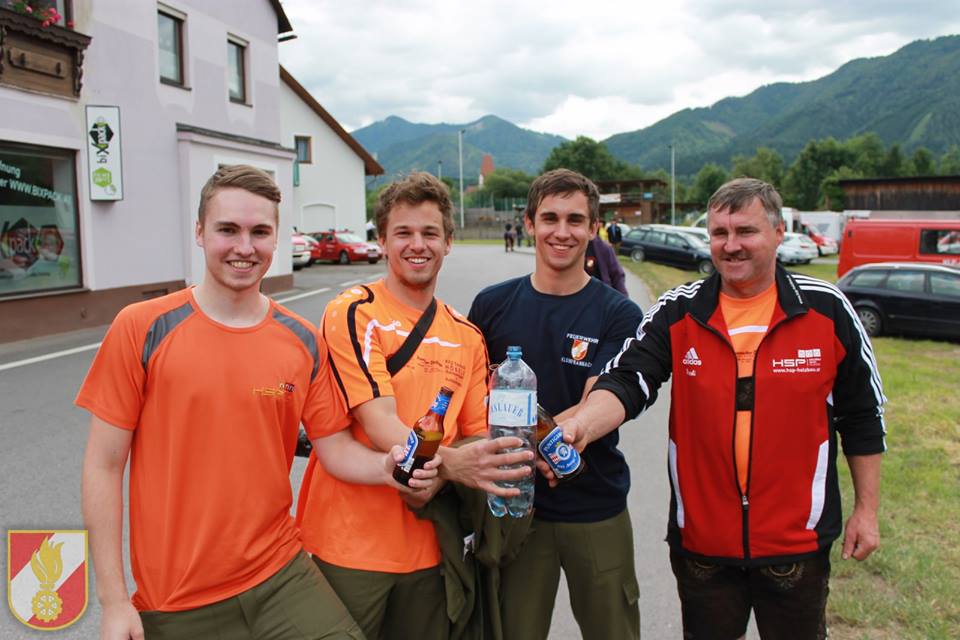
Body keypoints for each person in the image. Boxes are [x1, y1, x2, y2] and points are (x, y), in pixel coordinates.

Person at [77, 165, 426, 640]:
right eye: (228, 229)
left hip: (280, 574)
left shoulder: (303, 341)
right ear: (199, 233)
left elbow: (335, 448)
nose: (244, 247)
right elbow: (103, 465)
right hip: (177, 598)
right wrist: (114, 600)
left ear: (276, 238)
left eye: (259, 232)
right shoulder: (142, 327)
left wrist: (385, 467)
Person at [564, 178, 886, 639]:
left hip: (796, 547)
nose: (731, 245)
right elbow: (626, 381)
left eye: (745, 231)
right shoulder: (680, 311)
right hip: (703, 549)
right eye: (719, 233)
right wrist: (580, 426)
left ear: (779, 232)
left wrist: (866, 511)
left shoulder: (826, 310)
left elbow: (862, 416)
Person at [296, 171, 531, 640]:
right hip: (349, 547)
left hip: (430, 550)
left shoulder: (468, 335)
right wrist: (453, 465)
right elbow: (379, 421)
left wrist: (447, 472)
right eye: (403, 232)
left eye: (430, 233)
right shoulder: (355, 311)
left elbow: (477, 434)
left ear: (448, 242)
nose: (417, 245)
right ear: (382, 241)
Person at [468, 168, 645, 640]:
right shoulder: (491, 306)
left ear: (593, 228)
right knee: (512, 631)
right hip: (513, 508)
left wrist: (525, 439)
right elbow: (472, 400)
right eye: (549, 218)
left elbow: (595, 400)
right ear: (529, 223)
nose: (561, 232)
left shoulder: (618, 313)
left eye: (575, 220)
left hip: (595, 503)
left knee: (614, 631)